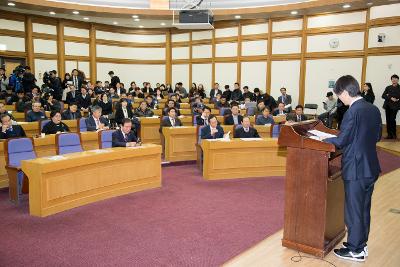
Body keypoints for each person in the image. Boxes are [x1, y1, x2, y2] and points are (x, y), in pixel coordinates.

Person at [322, 75, 381, 263]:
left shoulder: (352, 111)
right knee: (363, 208)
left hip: (356, 168)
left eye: (340, 96)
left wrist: (321, 139)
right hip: (370, 166)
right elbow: (377, 136)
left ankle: (356, 250)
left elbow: (341, 141)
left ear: (346, 92)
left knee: (354, 210)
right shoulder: (372, 108)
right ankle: (360, 244)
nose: (340, 99)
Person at [382, 74, 400, 139]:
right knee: (388, 120)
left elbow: (398, 96)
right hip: (387, 105)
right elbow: (383, 95)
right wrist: (390, 97)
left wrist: (398, 99)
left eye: (395, 79)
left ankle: (394, 134)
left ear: (398, 80)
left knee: (392, 119)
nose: (394, 80)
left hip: (395, 106)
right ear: (391, 80)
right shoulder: (388, 87)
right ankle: (389, 134)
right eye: (393, 79)